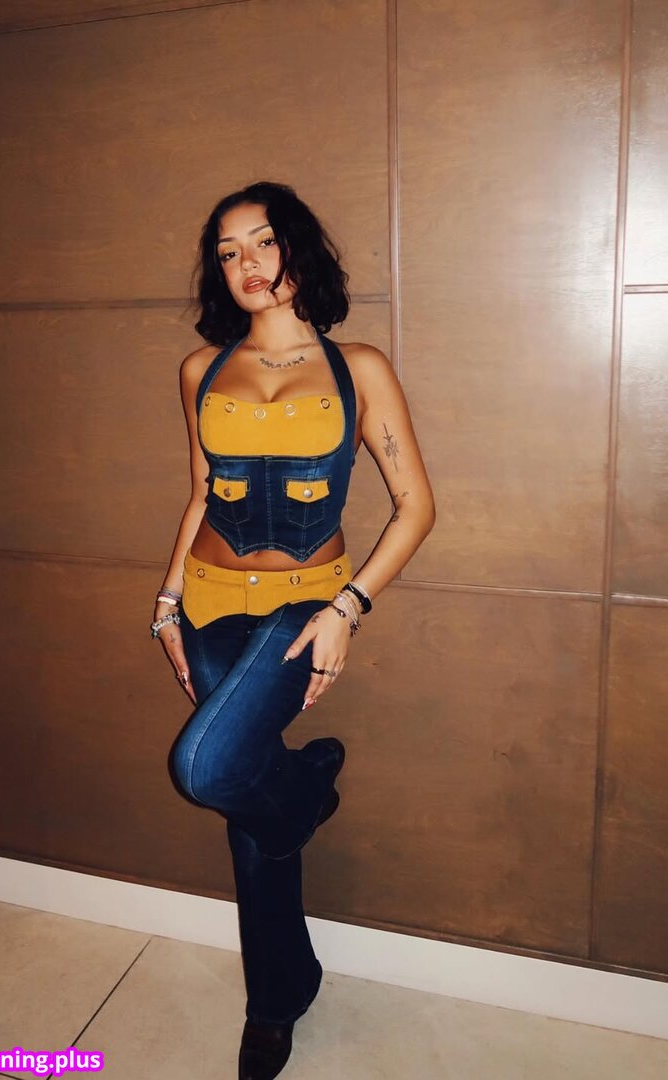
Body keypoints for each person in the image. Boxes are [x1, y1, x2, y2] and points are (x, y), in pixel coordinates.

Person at [152, 181, 435, 1080]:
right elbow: (200, 494)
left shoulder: (359, 367)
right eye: (227, 250)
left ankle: (307, 790)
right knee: (247, 800)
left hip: (301, 606)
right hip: (207, 601)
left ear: (297, 249)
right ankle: (278, 996)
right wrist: (166, 605)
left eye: (262, 242)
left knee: (207, 769)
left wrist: (347, 608)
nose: (245, 263)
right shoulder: (200, 370)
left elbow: (416, 508)